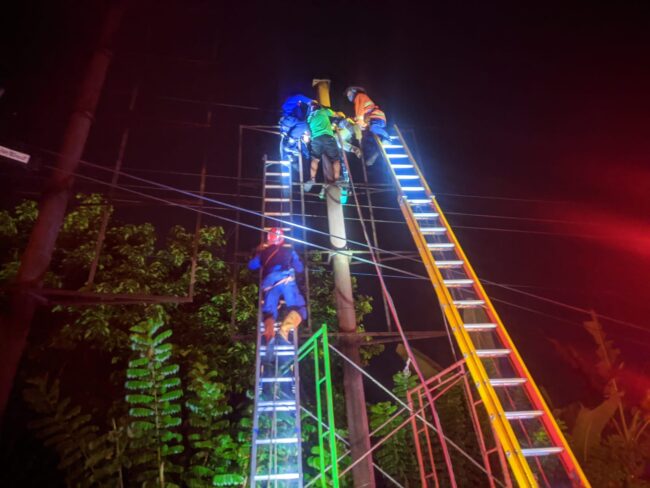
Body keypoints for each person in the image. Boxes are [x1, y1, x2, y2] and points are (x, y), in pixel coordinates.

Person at [248, 228, 306, 346]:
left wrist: (258, 252)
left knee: (269, 313)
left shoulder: (263, 253)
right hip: (286, 281)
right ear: (282, 240)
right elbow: (299, 268)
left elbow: (251, 266)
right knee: (299, 309)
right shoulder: (289, 251)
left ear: (269, 239)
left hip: (269, 284)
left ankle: (269, 337)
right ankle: (283, 333)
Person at [304, 100, 344, 192]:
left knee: (315, 159)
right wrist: (341, 115)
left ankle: (312, 179)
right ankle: (337, 180)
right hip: (328, 137)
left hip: (316, 139)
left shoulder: (309, 117)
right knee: (335, 159)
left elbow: (308, 131)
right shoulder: (323, 111)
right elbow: (336, 114)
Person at [344, 86, 390, 166]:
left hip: (376, 116)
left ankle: (387, 138)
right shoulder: (360, 98)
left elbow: (359, 114)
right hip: (372, 119)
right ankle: (373, 154)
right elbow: (362, 116)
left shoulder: (359, 97)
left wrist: (359, 124)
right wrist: (361, 124)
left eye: (348, 94)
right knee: (368, 138)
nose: (348, 96)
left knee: (373, 128)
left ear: (353, 91)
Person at [279, 93, 312, 162]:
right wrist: (311, 102)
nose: (299, 103)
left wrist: (307, 134)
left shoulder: (297, 109)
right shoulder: (290, 101)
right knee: (303, 125)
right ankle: (290, 146)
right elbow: (299, 96)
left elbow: (303, 119)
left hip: (290, 124)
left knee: (301, 129)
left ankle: (291, 152)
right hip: (287, 121)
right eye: (299, 102)